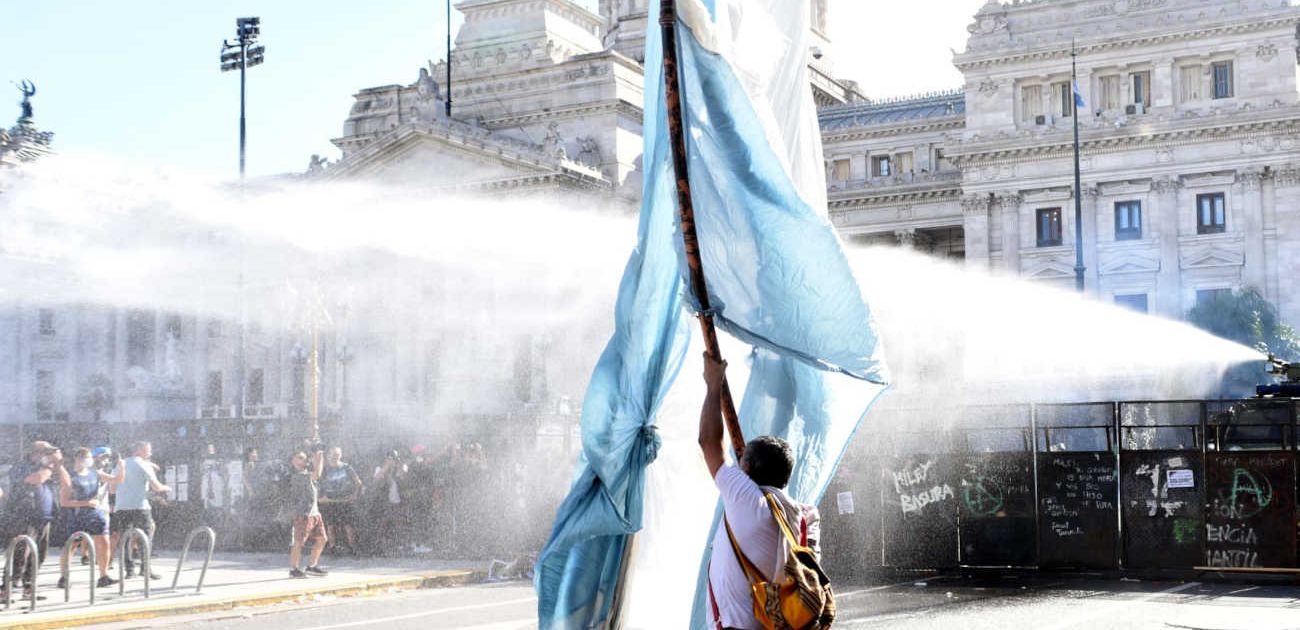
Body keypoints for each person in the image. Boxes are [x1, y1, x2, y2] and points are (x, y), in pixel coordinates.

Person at [699, 352, 821, 630]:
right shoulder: (804, 518)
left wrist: (713, 384)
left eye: (742, 461)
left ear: (748, 469)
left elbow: (708, 441)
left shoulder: (746, 498)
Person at [57, 447, 123, 588]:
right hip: (76, 514)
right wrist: (85, 503)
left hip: (94, 513)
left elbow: (117, 480)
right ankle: (64, 576)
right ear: (77, 459)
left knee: (103, 541)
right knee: (71, 546)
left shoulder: (95, 473)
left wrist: (121, 467)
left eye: (89, 458)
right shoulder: (70, 476)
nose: (88, 461)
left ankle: (103, 576)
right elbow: (64, 502)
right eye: (84, 458)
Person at [6, 441, 62, 597]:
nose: (50, 457)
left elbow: (66, 482)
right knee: (21, 553)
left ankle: (29, 587)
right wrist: (50, 466)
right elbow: (34, 479)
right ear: (36, 453)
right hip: (25, 515)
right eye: (47, 454)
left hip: (44, 516)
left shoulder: (49, 469)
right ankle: (6, 588)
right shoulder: (21, 466)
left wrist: (58, 464)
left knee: (39, 554)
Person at [110, 442, 170, 580]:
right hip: (140, 507)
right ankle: (145, 569)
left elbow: (112, 489)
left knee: (125, 538)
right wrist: (166, 488)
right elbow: (156, 487)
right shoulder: (144, 465)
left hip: (122, 507)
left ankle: (129, 570)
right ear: (139, 450)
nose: (150, 453)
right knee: (146, 537)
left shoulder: (121, 464)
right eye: (148, 450)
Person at [287, 448, 329, 578]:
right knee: (299, 542)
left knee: (322, 539)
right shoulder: (297, 475)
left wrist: (318, 458)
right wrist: (319, 457)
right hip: (303, 514)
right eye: (299, 457)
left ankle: (311, 566)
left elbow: (316, 475)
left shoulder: (306, 473)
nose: (303, 460)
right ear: (292, 461)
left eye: (304, 458)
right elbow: (317, 474)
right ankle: (293, 569)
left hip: (315, 513)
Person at [318, 447, 362, 556]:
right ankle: (333, 548)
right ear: (328, 455)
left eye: (337, 454)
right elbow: (317, 483)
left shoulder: (347, 468)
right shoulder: (324, 469)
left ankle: (352, 547)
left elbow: (358, 482)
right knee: (330, 525)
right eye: (333, 454)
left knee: (348, 525)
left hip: (345, 501)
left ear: (340, 455)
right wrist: (320, 497)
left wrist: (354, 495)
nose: (334, 456)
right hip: (329, 501)